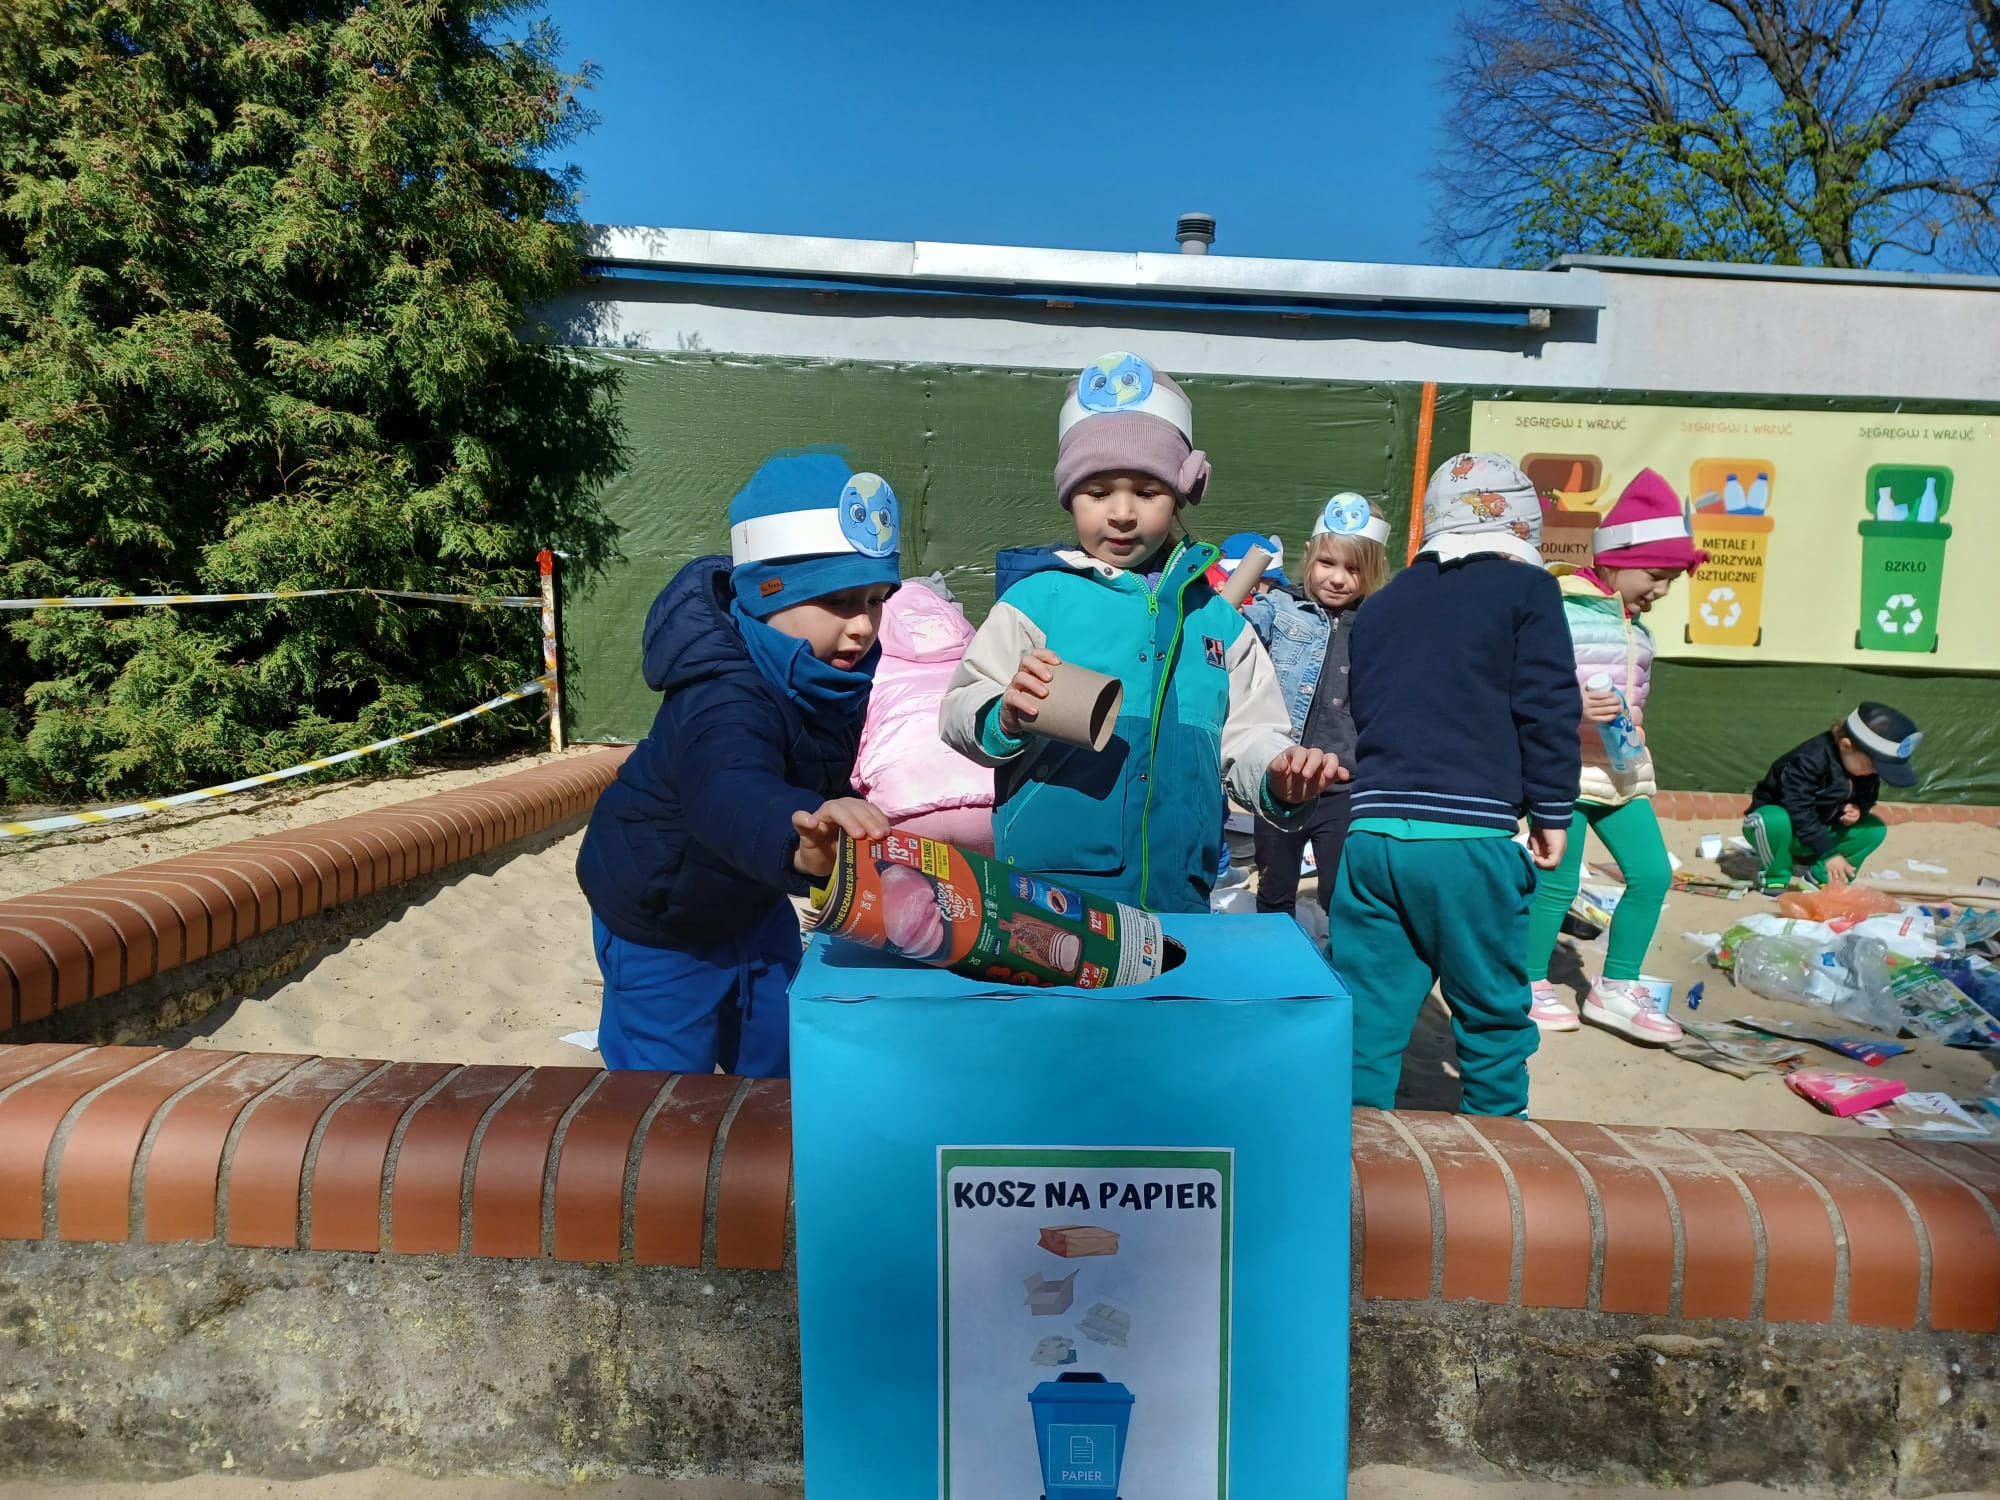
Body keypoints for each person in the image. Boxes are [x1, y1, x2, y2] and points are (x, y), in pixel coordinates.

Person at [939, 351, 1343, 914]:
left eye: (1147, 492)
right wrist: (1004, 714)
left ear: (1180, 494)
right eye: (1098, 492)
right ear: (1069, 496)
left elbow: (1251, 738)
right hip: (1051, 897)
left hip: (1179, 897)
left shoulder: (1221, 624)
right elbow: (959, 709)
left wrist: (1278, 775)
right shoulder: (1036, 602)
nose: (1122, 513)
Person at [573, 447, 902, 1077]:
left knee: (783, 1055)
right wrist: (799, 840)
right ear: (768, 594)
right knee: (665, 1092)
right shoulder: (724, 692)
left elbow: (810, 764)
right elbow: (729, 788)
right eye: (838, 600)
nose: (862, 626)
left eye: (875, 599)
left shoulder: (826, 675)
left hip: (750, 895)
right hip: (661, 912)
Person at [1328, 453, 1582, 1118]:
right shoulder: (1529, 592)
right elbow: (1548, 705)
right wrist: (1553, 809)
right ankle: (1497, 1142)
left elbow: (1367, 707)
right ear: (1522, 528)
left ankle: (1357, 1149)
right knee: (1492, 1011)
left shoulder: (1381, 606)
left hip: (1372, 835)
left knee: (1367, 1011)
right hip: (1469, 838)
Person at [1522, 470, 1707, 1045]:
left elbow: (1630, 697)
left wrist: (1633, 722)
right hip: (1561, 772)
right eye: (1656, 576)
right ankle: (1527, 982)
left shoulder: (1639, 630)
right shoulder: (1558, 609)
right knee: (1557, 882)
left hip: (1618, 773)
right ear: (1617, 559)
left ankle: (1616, 988)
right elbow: (1525, 687)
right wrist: (1573, 706)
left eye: (1671, 580)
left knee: (1652, 874)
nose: (1663, 591)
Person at [1240, 494, 1391, 923]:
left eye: (1354, 569)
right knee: (1274, 886)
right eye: (1327, 563)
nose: (1338, 579)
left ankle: (1337, 957)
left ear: (1375, 568)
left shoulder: (1379, 621)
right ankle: (1275, 957)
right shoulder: (1281, 607)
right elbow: (1237, 630)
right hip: (1282, 778)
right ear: (1308, 555)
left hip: (1346, 784)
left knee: (1340, 892)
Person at [852, 574, 995, 855]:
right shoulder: (975, 656)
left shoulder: (873, 667)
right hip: (989, 800)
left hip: (902, 806)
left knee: (903, 881)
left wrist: (861, 789)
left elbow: (856, 740)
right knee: (984, 881)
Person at [1746, 703, 1919, 893]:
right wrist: (1829, 853)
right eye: (1873, 766)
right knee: (1774, 820)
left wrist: (1858, 808)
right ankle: (1774, 877)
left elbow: (1867, 795)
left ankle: (1822, 879)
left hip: (1819, 831)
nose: (1875, 772)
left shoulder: (1863, 767)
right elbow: (1799, 809)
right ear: (1846, 746)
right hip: (1780, 831)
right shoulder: (1809, 759)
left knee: (1874, 830)